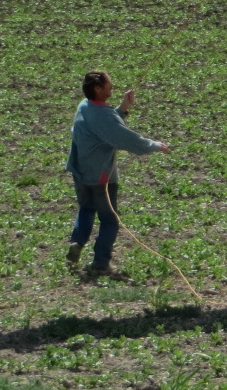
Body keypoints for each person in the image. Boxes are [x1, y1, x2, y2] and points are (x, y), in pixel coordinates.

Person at [66, 70, 170, 277]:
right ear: (97, 88)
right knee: (110, 219)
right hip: (101, 176)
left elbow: (106, 126)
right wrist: (155, 145)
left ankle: (77, 243)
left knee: (86, 209)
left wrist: (123, 108)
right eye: (108, 83)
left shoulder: (84, 106)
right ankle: (100, 264)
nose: (112, 85)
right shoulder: (103, 116)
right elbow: (125, 139)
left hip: (81, 172)